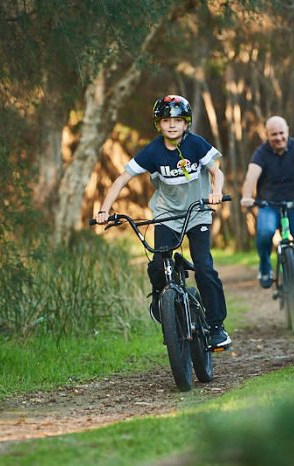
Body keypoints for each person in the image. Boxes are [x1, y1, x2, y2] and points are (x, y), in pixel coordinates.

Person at [96, 94, 232, 348]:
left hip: (197, 212)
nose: (172, 125)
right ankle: (160, 296)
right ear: (158, 125)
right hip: (167, 215)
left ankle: (216, 327)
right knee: (158, 264)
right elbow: (121, 180)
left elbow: (217, 171)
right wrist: (105, 210)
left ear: (186, 123)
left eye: (178, 120)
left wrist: (215, 192)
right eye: (166, 120)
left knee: (204, 267)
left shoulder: (196, 144)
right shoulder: (152, 151)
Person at [240, 115, 294, 310]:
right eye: (274, 135)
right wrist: (247, 196)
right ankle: (264, 266)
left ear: (287, 131)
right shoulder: (261, 152)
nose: (278, 138)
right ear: (267, 135)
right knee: (264, 233)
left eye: (281, 133)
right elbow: (251, 177)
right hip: (268, 204)